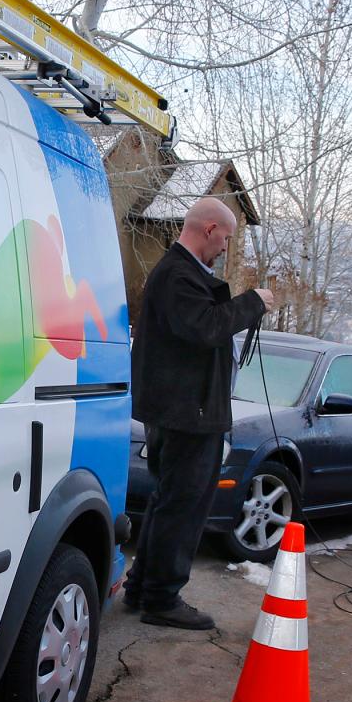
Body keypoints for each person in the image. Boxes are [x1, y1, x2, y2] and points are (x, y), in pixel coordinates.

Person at [126, 197, 273, 629]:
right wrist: (253, 303)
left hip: (183, 409)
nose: (227, 246)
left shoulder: (182, 274)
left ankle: (144, 588)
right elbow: (206, 327)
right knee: (184, 505)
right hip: (187, 412)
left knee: (170, 501)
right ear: (209, 230)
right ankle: (163, 598)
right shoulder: (177, 275)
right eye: (226, 237)